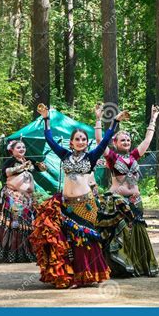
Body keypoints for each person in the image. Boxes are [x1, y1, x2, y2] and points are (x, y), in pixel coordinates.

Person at [30, 103, 126, 288]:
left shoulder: (90, 157)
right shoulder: (64, 155)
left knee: (85, 239)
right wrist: (46, 118)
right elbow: (49, 139)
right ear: (71, 141)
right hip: (67, 203)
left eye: (83, 139)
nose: (81, 141)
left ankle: (87, 275)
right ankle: (73, 276)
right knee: (70, 240)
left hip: (86, 204)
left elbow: (105, 140)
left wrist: (114, 121)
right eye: (77, 139)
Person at [95, 103, 159, 277]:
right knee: (121, 231)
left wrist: (153, 119)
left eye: (128, 140)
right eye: (122, 140)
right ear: (115, 143)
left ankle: (137, 265)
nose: (126, 142)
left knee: (137, 230)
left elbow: (147, 141)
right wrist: (99, 119)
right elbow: (100, 141)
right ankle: (120, 266)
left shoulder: (134, 156)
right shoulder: (112, 157)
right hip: (117, 201)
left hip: (135, 200)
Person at [0, 140, 47, 262]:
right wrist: (21, 167)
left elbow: (39, 168)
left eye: (23, 147)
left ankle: (26, 252)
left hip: (27, 198)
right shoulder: (10, 161)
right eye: (18, 147)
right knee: (15, 225)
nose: (22, 149)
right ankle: (12, 253)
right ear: (12, 150)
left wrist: (42, 167)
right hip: (13, 197)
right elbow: (5, 172)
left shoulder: (28, 160)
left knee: (27, 225)